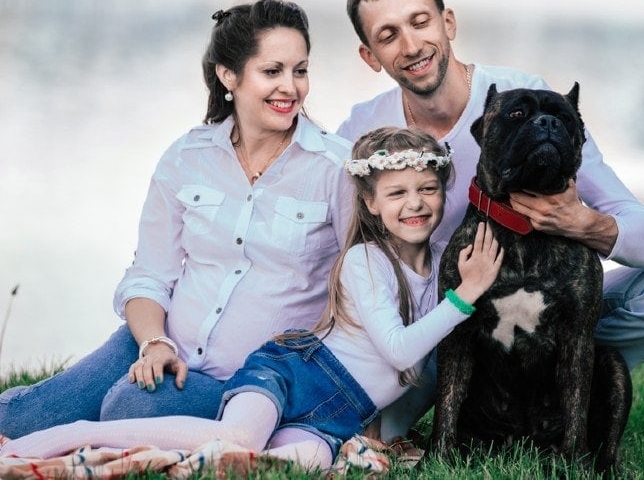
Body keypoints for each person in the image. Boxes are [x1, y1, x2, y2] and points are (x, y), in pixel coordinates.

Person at [337, 0, 644, 443]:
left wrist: (580, 221)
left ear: (448, 22)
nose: (410, 45)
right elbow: (329, 246)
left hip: (552, 305)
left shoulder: (528, 103)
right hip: (432, 326)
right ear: (370, 56)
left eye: (420, 22)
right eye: (388, 35)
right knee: (365, 434)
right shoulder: (362, 130)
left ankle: (562, 397)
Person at [0, 127, 504, 472]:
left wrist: (382, 430)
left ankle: (178, 457)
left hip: (337, 413)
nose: (415, 203)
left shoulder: (441, 267)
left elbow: (416, 373)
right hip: (294, 375)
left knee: (304, 464)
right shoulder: (366, 261)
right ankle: (74, 436)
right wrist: (467, 296)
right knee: (241, 440)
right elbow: (398, 351)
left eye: (428, 189)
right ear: (369, 202)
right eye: (397, 193)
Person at [0, 0, 355, 440]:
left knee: (128, 407)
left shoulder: (335, 168)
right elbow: (150, 274)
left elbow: (362, 293)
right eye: (273, 71)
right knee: (16, 421)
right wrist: (155, 342)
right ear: (230, 76)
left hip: (250, 385)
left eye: (300, 70)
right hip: (156, 342)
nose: (292, 87)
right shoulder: (188, 157)